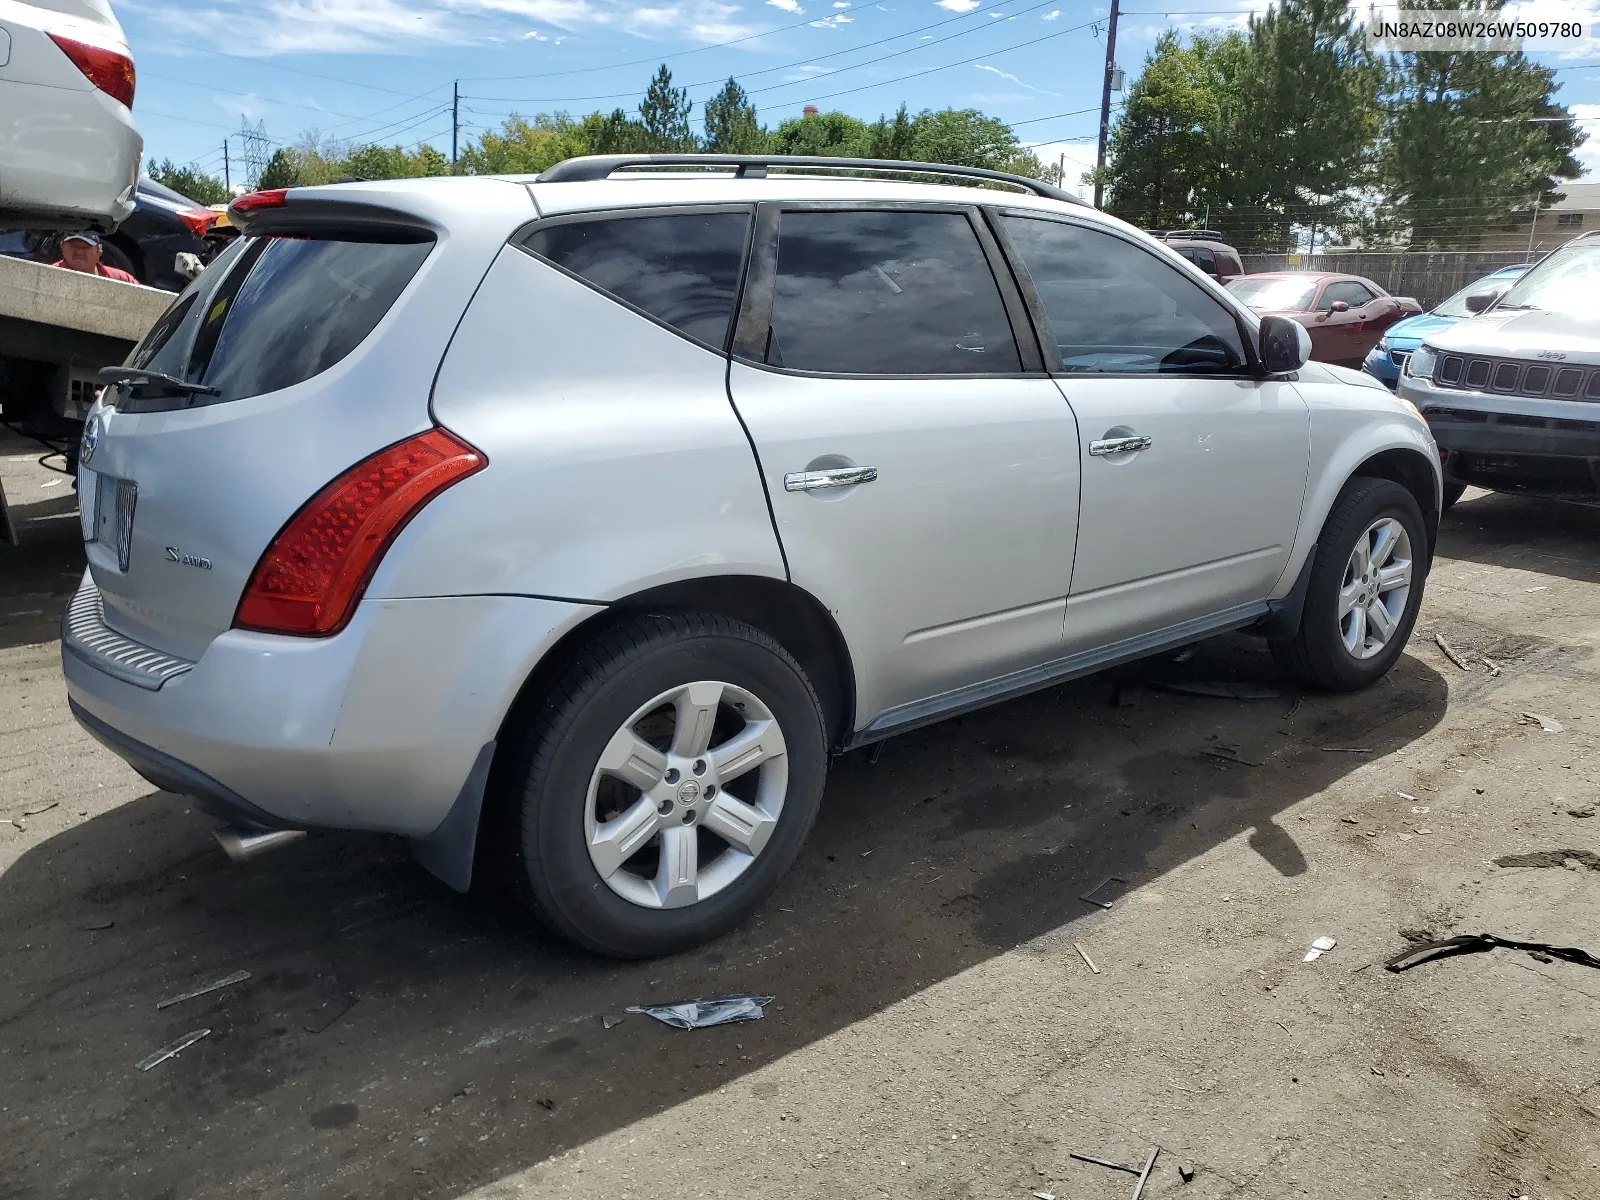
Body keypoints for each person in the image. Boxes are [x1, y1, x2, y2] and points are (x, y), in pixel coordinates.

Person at [49, 232, 138, 283]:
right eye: (73, 246)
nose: (79, 251)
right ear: (62, 247)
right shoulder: (49, 276)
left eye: (85, 247)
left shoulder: (122, 280)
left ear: (99, 251)